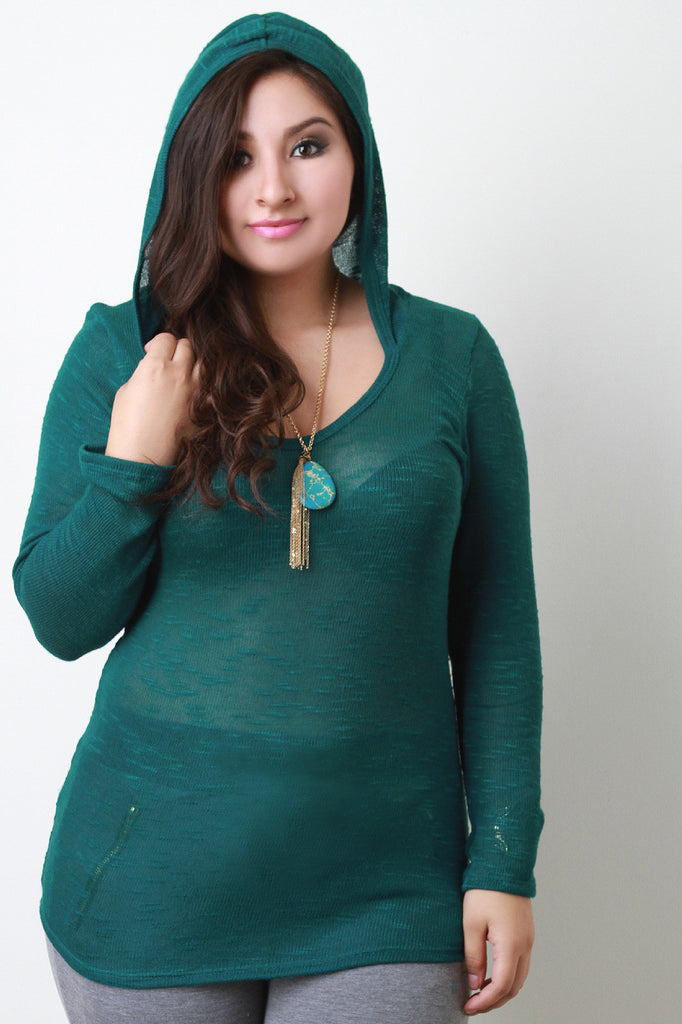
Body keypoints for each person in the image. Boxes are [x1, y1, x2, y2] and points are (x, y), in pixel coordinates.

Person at [13, 12, 543, 1023]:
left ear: (358, 155)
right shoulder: (121, 350)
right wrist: (134, 461)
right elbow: (60, 617)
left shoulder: (454, 357)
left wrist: (505, 859)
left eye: (307, 146)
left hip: (386, 887)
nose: (272, 190)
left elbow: (496, 627)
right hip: (148, 885)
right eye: (236, 156)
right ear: (191, 174)